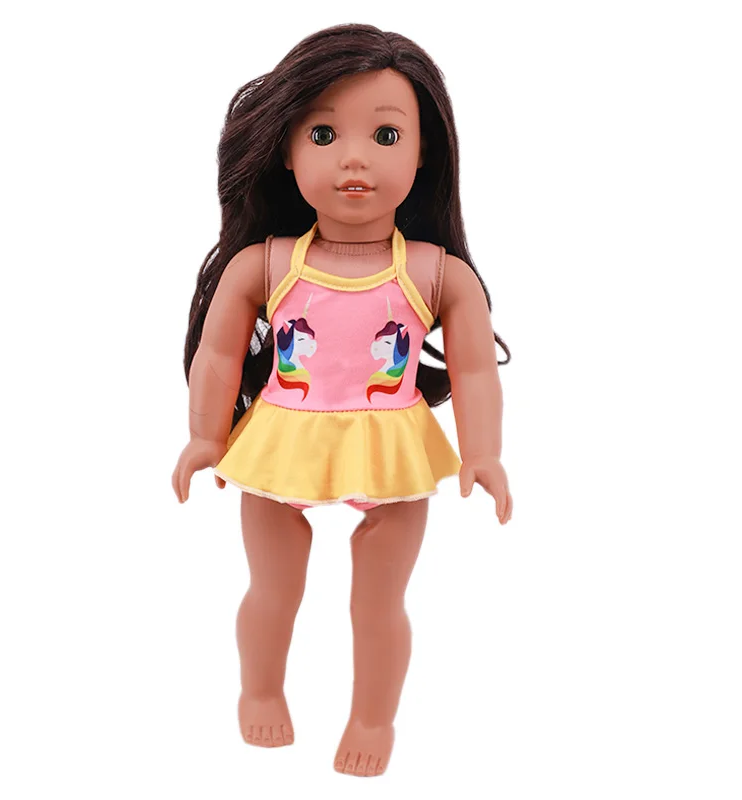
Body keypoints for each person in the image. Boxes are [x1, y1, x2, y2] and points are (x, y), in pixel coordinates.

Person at [171, 23, 513, 778]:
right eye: (323, 134)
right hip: (283, 438)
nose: (354, 158)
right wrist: (206, 434)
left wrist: (483, 452)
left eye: (385, 135)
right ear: (287, 150)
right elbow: (219, 353)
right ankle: (260, 691)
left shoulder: (436, 273)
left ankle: (372, 718)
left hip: (391, 447)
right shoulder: (265, 265)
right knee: (274, 586)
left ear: (423, 152)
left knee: (378, 602)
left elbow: (475, 371)